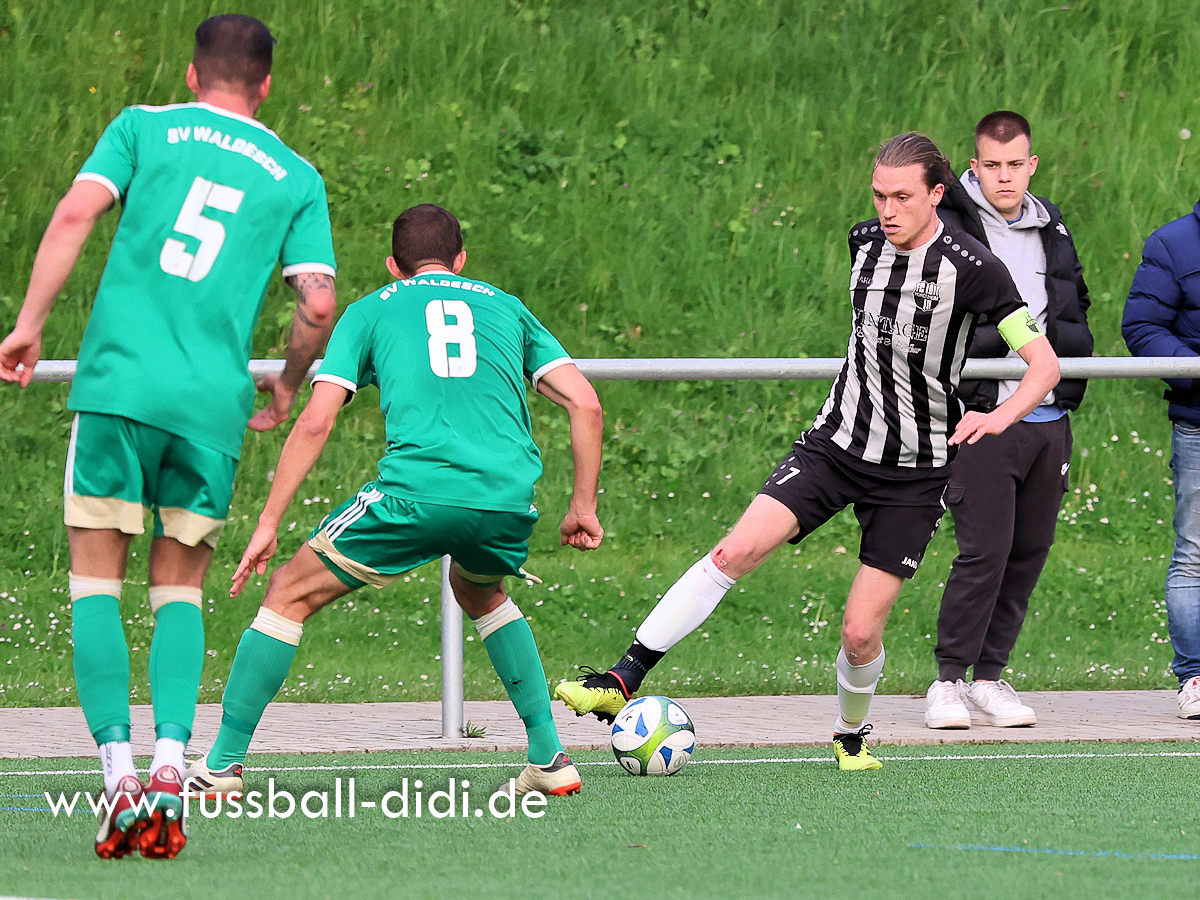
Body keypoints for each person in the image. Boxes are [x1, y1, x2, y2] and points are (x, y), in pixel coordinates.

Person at [556, 132, 1060, 770]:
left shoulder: (975, 268)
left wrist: (999, 415)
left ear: (937, 194)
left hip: (915, 473)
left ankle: (850, 734)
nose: (887, 210)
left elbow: (1044, 364)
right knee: (734, 551)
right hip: (835, 446)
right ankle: (620, 678)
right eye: (878, 195)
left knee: (859, 634)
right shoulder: (863, 242)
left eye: (902, 197)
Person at [0, 16, 337, 858]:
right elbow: (319, 302)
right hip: (210, 408)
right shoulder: (295, 175)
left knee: (94, 584)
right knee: (178, 591)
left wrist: (29, 324)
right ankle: (169, 765)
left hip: (119, 386)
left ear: (193, 75)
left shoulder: (142, 127)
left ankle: (117, 773)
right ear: (265, 85)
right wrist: (288, 380)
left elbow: (76, 212)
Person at [185, 203, 604, 799]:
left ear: (393, 265)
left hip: (414, 494)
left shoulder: (371, 309)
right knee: (479, 590)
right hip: (506, 499)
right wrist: (582, 507)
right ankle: (549, 756)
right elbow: (587, 404)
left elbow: (316, 422)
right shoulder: (508, 307)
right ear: (461, 260)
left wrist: (268, 521)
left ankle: (222, 766)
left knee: (286, 592)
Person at [923, 112, 1093, 729]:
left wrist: (1068, 366)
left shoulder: (1053, 225)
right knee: (984, 551)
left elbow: (1072, 303)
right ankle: (947, 682)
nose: (1004, 177)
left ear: (1032, 165)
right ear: (973, 166)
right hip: (980, 415)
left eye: (1015, 165)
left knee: (1029, 551)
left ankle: (989, 678)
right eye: (991, 165)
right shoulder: (948, 226)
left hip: (1048, 417)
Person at [1123, 198, 1200, 719]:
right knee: (1194, 554)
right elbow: (1143, 328)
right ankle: (1195, 677)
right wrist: (1196, 370)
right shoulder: (1173, 243)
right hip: (1198, 422)